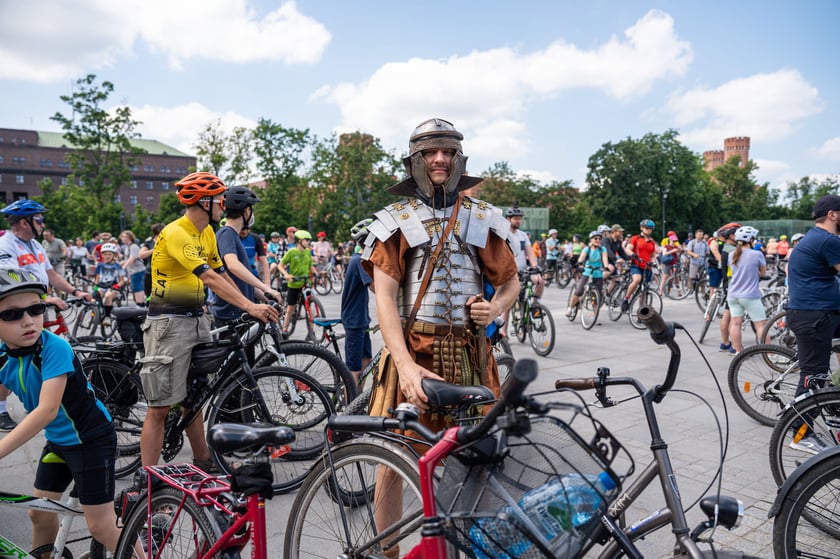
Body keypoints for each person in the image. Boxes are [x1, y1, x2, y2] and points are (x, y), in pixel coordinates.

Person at [361, 118, 519, 551]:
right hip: (414, 351)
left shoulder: (481, 217)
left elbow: (510, 283)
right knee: (394, 460)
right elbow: (385, 300)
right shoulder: (396, 221)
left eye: (448, 151)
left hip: (471, 354)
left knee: (478, 457)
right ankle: (387, 550)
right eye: (431, 152)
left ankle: (465, 545)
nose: (440, 159)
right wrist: (405, 365)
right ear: (415, 159)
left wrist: (496, 307)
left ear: (459, 158)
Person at [139, 172, 278, 470]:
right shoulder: (177, 232)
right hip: (168, 323)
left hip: (197, 319)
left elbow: (223, 273)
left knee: (195, 397)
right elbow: (209, 277)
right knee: (160, 407)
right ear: (204, 202)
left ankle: (203, 460)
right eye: (219, 199)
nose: (224, 204)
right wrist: (249, 306)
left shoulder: (206, 234)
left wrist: (251, 300)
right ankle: (146, 479)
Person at [0, 267, 121, 553]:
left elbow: (46, 411)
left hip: (92, 440)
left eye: (35, 309)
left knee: (101, 525)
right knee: (39, 512)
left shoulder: (54, 348)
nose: (28, 321)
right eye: (12, 314)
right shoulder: (3, 354)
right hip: (59, 443)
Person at [0, 200, 92, 431]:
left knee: (39, 356)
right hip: (14, 311)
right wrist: (44, 299)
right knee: (10, 362)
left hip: (34, 306)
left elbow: (50, 274)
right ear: (24, 222)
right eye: (39, 219)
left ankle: (41, 402)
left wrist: (75, 290)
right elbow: (11, 282)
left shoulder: (36, 245)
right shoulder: (5, 245)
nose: (43, 223)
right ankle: (1, 409)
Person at [785, 195, 840, 453]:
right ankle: (800, 433)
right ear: (833, 214)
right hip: (815, 317)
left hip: (820, 313)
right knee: (813, 375)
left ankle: (834, 400)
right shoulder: (827, 240)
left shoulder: (815, 237)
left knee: (821, 367)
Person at [209, 186, 281, 359]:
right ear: (247, 211)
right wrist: (266, 287)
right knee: (236, 374)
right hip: (232, 312)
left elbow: (242, 282)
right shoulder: (226, 233)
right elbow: (232, 265)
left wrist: (264, 295)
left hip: (239, 310)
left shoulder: (233, 235)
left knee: (245, 366)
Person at [341, 219, 374, 382]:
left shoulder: (359, 259)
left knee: (366, 362)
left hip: (361, 319)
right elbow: (376, 288)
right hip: (354, 321)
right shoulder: (360, 261)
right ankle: (351, 406)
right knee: (353, 370)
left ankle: (359, 401)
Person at [727, 226, 766, 354]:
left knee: (736, 324)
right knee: (760, 325)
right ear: (750, 240)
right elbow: (763, 273)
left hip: (733, 295)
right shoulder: (757, 254)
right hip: (750, 295)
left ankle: (738, 351)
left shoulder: (732, 254)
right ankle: (771, 354)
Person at [279, 229, 319, 337]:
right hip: (294, 284)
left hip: (305, 283)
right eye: (307, 240)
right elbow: (280, 265)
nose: (309, 242)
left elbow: (310, 265)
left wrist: (316, 273)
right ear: (300, 240)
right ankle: (285, 330)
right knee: (290, 307)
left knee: (309, 307)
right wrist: (286, 275)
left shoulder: (307, 252)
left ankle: (311, 332)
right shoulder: (291, 252)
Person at [567, 230, 613, 316]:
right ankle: (570, 308)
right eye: (596, 238)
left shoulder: (602, 249)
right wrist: (580, 263)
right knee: (579, 291)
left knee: (597, 295)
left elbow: (605, 258)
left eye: (600, 238)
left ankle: (595, 316)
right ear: (591, 240)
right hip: (587, 271)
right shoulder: (586, 249)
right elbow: (582, 258)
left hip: (598, 273)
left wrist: (606, 267)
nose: (598, 240)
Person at [622, 219, 657, 312]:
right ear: (641, 228)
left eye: (651, 228)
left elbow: (653, 255)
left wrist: (653, 262)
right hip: (636, 265)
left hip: (647, 267)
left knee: (645, 290)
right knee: (637, 279)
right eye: (647, 228)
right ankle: (626, 298)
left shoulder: (652, 242)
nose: (649, 230)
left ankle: (642, 311)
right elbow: (628, 249)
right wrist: (632, 254)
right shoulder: (635, 238)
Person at [93, 243, 126, 317]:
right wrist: (95, 287)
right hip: (102, 286)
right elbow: (97, 279)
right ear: (102, 255)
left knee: (108, 296)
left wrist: (117, 286)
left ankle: (107, 317)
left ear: (113, 255)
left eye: (109, 254)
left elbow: (122, 281)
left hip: (113, 287)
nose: (107, 256)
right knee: (94, 298)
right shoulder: (100, 265)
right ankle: (95, 315)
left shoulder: (118, 266)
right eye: (105, 254)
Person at [118, 230, 146, 306]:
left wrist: (124, 266)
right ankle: (140, 303)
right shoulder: (127, 247)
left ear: (130, 237)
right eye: (122, 237)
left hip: (137, 271)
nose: (122, 238)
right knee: (136, 288)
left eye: (124, 237)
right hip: (133, 271)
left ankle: (140, 304)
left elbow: (132, 258)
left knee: (138, 288)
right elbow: (128, 259)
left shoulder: (133, 246)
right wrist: (120, 264)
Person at [138, 222, 165, 299]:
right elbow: (141, 255)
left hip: (164, 273)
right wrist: (154, 250)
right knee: (149, 296)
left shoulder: (167, 242)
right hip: (150, 272)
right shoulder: (149, 243)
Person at [657, 231, 681, 296]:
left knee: (677, 277)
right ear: (670, 240)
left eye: (675, 241)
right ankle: (660, 292)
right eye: (673, 241)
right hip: (668, 263)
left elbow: (680, 251)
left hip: (675, 263)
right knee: (665, 277)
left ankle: (679, 292)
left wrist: (679, 250)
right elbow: (664, 254)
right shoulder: (666, 246)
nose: (674, 242)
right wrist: (672, 251)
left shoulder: (676, 246)